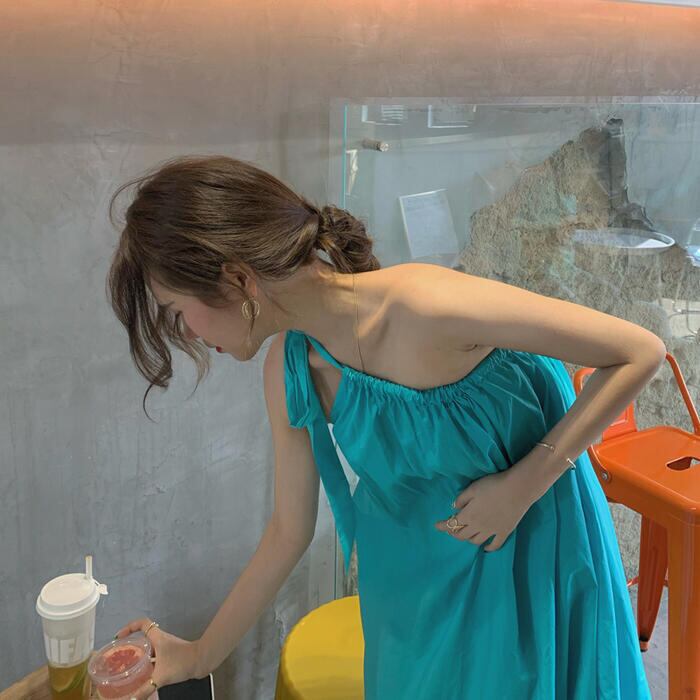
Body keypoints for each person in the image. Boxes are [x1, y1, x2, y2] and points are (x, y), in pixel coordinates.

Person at [107, 154, 663, 699]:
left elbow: (638, 352)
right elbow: (288, 531)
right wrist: (199, 655)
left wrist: (522, 486)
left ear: (237, 279)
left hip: (529, 548)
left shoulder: (425, 307)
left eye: (176, 310)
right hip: (409, 587)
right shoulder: (291, 368)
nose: (187, 333)